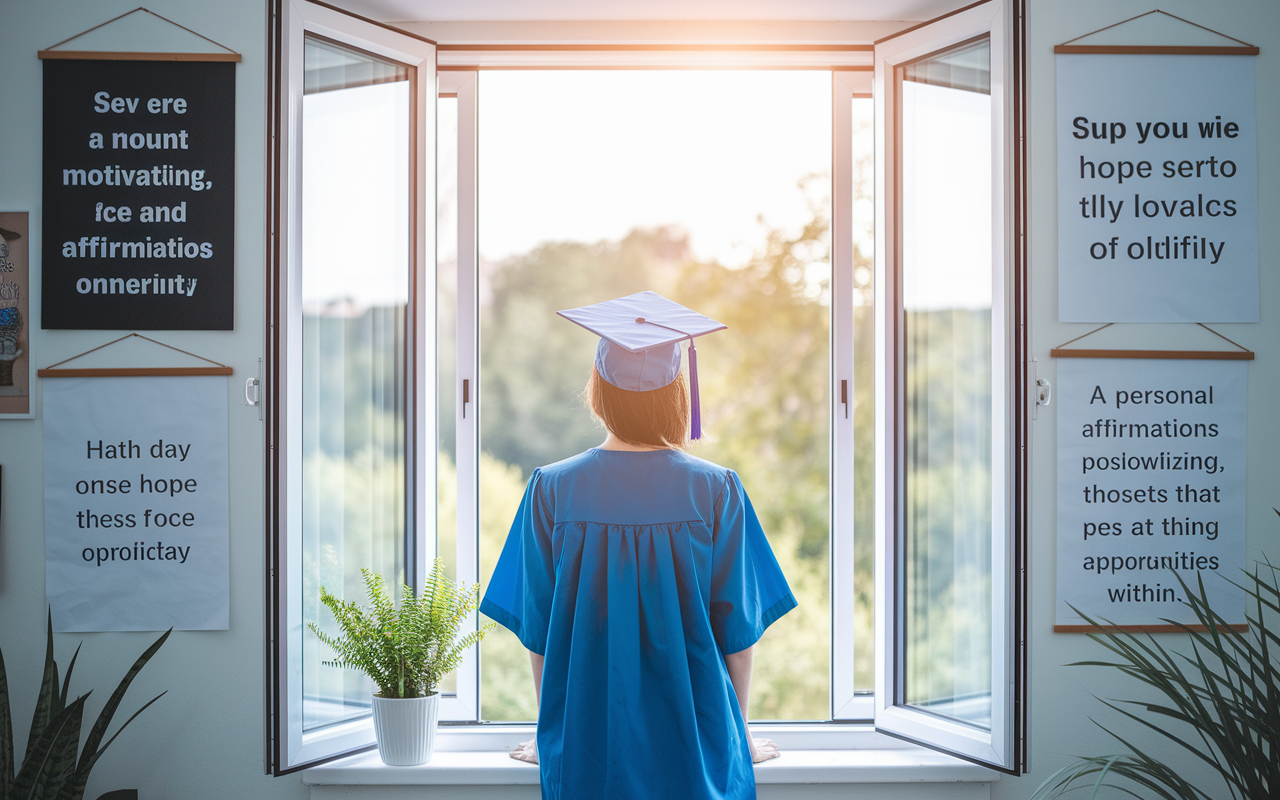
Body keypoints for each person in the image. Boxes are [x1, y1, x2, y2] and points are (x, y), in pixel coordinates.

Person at [480, 291, 797, 800]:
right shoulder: (717, 490)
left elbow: (539, 630)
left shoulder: (551, 489)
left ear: (600, 392)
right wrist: (734, 736)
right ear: (678, 394)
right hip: (696, 748)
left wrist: (550, 734)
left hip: (588, 749)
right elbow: (738, 634)